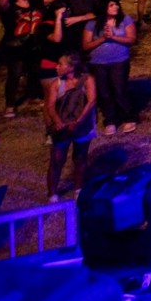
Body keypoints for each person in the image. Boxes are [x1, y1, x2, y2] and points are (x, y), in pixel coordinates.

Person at [44, 53, 96, 202]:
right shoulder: (56, 84)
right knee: (56, 159)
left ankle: (78, 189)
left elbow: (91, 101)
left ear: (71, 67)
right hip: (62, 127)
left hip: (82, 127)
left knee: (80, 157)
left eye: (60, 64)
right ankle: (52, 193)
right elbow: (50, 105)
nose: (56, 66)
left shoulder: (88, 80)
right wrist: (57, 120)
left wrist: (78, 121)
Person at [82, 0, 137, 136]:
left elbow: (131, 39)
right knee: (104, 93)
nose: (116, 7)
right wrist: (103, 38)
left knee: (120, 89)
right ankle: (110, 120)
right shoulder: (92, 24)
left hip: (119, 60)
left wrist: (113, 37)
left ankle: (128, 117)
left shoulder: (125, 20)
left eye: (116, 4)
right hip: (98, 63)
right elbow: (86, 45)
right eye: (111, 5)